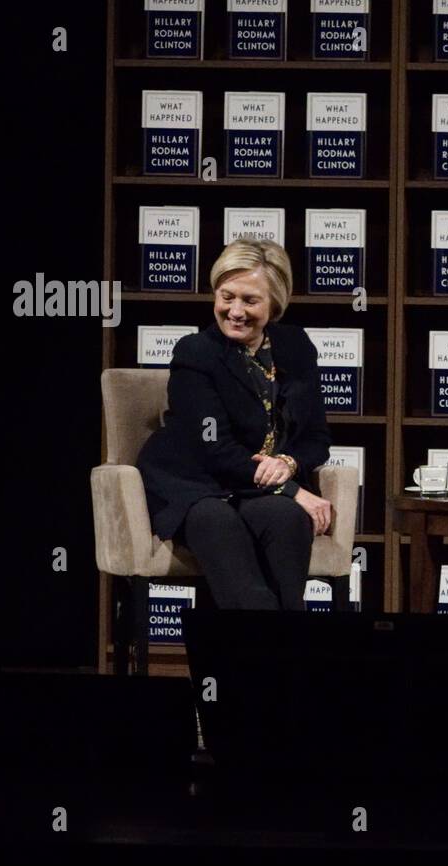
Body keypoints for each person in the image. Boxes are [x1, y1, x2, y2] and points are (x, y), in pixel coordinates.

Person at [137, 238, 334, 610]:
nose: (235, 311)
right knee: (220, 523)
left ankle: (283, 653)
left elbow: (316, 437)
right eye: (227, 296)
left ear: (275, 302)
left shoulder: (296, 346)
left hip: (256, 489)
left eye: (250, 300)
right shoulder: (196, 352)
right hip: (197, 483)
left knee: (286, 521)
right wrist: (293, 490)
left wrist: (288, 465)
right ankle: (258, 658)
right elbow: (214, 450)